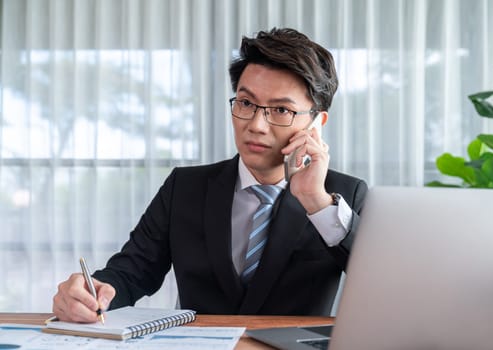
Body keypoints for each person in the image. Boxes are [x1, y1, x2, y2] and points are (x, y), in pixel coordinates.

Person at [52, 27, 368, 322]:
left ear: (316, 123)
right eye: (246, 103)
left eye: (281, 110)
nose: (256, 125)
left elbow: (377, 285)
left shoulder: (342, 195)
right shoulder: (185, 187)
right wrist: (92, 293)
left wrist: (316, 201)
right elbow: (132, 272)